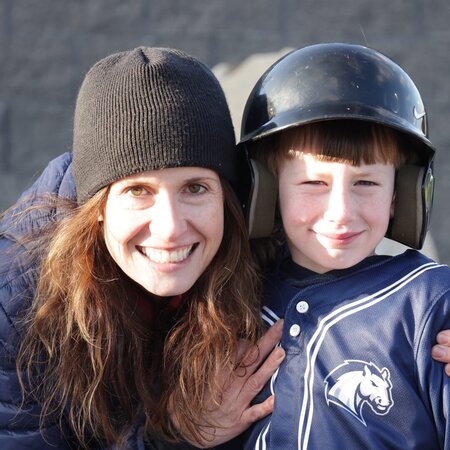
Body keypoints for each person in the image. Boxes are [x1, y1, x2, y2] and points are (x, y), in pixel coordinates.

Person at [0, 47, 286, 450]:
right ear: (95, 207)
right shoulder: (16, 302)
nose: (170, 229)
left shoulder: (263, 260)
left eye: (195, 188)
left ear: (226, 196)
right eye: (138, 190)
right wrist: (176, 436)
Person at [237, 43, 450, 449]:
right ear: (265, 190)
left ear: (400, 194)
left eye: (366, 183)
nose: (341, 213)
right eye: (314, 183)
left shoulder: (429, 304)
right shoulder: (229, 297)